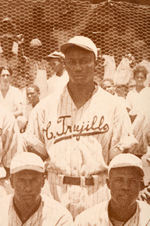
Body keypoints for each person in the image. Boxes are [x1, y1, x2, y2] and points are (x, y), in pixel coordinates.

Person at [25, 36, 136, 218]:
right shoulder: (45, 107)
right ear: (65, 64)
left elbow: (121, 160)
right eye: (72, 62)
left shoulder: (114, 106)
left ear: (96, 63)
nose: (78, 68)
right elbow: (35, 155)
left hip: (98, 193)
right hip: (53, 193)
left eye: (84, 61)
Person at [75, 153, 150, 225]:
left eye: (132, 181)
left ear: (140, 185)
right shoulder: (87, 220)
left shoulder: (147, 218)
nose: (126, 187)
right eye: (119, 180)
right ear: (108, 184)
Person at [0, 152, 73, 225]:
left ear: (43, 181)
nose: (28, 188)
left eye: (33, 180)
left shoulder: (59, 217)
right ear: (11, 182)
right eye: (22, 180)